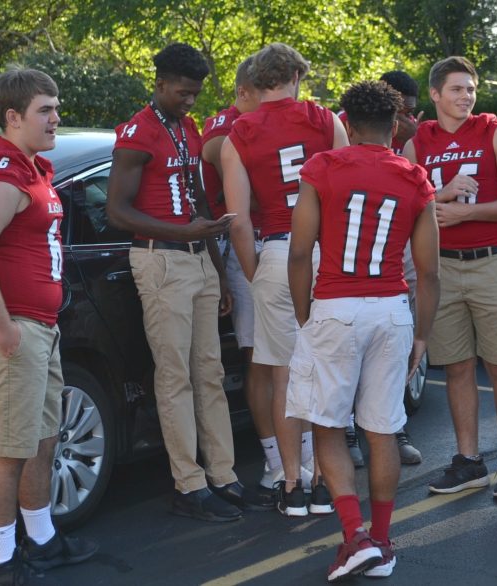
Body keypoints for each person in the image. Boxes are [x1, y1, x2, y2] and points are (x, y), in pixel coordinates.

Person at [107, 43, 268, 522]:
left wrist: (217, 269)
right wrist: (185, 234)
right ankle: (189, 483)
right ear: (159, 84)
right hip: (160, 261)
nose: (190, 101)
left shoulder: (187, 127)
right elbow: (117, 212)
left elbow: (198, 195)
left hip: (197, 259)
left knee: (210, 373)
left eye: (196, 94)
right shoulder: (137, 134)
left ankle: (224, 475)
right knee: (175, 376)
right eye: (182, 93)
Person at [287, 79, 440, 582]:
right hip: (392, 309)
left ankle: (354, 537)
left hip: (335, 304)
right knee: (383, 430)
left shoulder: (322, 167)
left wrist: (305, 314)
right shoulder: (415, 177)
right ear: (395, 127)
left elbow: (299, 250)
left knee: (329, 426)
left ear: (346, 124)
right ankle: (382, 541)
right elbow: (429, 269)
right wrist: (422, 334)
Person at [0, 68, 98, 584]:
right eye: (45, 109)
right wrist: (2, 328)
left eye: (56, 107)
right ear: (13, 117)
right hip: (11, 331)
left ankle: (41, 540)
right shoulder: (0, 171)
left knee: (40, 440)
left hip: (37, 328)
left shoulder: (32, 167)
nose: (56, 118)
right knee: (6, 449)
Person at [221, 42, 348, 516]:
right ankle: (321, 478)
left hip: (276, 248)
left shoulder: (239, 133)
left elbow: (236, 220)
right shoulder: (324, 120)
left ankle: (291, 482)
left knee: (281, 374)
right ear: (296, 75)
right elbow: (347, 188)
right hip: (327, 252)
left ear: (257, 81)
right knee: (325, 369)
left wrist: (256, 271)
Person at [404, 56, 497, 499]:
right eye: (456, 89)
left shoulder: (495, 132)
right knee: (457, 368)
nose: (466, 97)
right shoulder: (418, 142)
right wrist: (440, 195)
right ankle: (469, 462)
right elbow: (406, 205)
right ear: (436, 94)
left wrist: (468, 211)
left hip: (492, 263)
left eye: (471, 89)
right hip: (441, 268)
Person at [200, 56, 284, 491]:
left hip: (290, 246)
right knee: (260, 357)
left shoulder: (291, 119)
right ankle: (275, 459)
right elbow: (215, 157)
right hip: (244, 245)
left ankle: (306, 454)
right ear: (244, 93)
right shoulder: (225, 125)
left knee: (298, 356)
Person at [337, 69, 424, 468]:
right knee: (353, 351)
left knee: (391, 348)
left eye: (414, 112)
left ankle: (394, 426)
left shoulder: (411, 142)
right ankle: (350, 428)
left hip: (395, 245)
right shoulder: (343, 134)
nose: (413, 119)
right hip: (350, 258)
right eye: (407, 112)